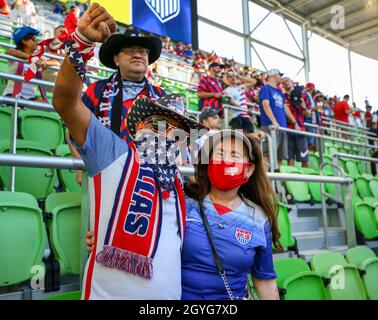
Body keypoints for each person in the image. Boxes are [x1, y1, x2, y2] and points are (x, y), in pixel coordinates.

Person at [52, 3, 205, 300]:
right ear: (117, 58)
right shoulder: (96, 90)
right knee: (103, 236)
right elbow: (72, 118)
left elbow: (190, 144)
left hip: (155, 177)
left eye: (144, 51)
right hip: (110, 171)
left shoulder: (163, 97)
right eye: (131, 50)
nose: (139, 54)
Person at [182, 130, 281, 300]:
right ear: (209, 163)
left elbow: (265, 280)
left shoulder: (259, 218)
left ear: (248, 170)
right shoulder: (185, 203)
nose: (226, 161)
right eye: (220, 154)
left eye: (235, 156)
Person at [258, 69, 298, 168]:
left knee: (280, 157)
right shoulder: (265, 89)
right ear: (274, 75)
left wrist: (294, 122)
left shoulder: (279, 91)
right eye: (280, 75)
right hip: (270, 126)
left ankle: (277, 183)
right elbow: (265, 105)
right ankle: (266, 181)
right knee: (266, 156)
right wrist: (274, 121)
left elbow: (285, 107)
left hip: (281, 127)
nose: (281, 78)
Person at [2, 26, 45, 100]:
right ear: (24, 41)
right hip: (12, 94)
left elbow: (56, 62)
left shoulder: (38, 57)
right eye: (34, 39)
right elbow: (8, 52)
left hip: (31, 97)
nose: (37, 42)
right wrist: (31, 58)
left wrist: (44, 62)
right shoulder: (14, 53)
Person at [282, 77, 309, 168]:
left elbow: (308, 114)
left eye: (287, 81)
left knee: (304, 159)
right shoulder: (282, 97)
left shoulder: (303, 95)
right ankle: (290, 181)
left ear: (292, 82)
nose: (285, 83)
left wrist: (304, 106)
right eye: (283, 82)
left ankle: (308, 180)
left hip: (300, 130)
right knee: (290, 158)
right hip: (288, 130)